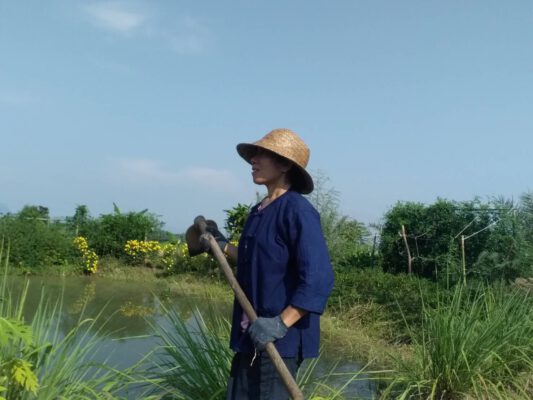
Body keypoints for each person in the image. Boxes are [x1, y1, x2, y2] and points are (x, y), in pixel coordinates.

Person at [202, 128, 334, 400]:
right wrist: (222, 245)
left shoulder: (297, 211)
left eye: (262, 154)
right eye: (254, 155)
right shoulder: (259, 211)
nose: (253, 160)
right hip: (250, 335)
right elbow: (253, 258)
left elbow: (318, 278)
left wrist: (279, 324)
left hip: (278, 341)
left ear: (284, 165)